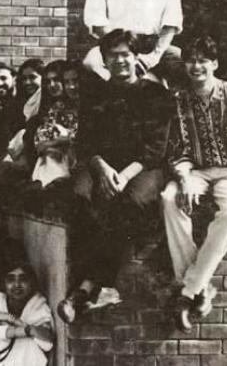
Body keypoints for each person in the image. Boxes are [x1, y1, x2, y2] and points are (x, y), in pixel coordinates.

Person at [57, 30, 174, 324]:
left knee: (130, 202)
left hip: (143, 168)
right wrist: (103, 169)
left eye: (126, 54)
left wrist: (122, 175)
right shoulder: (96, 94)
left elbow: (156, 149)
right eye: (113, 56)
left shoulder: (155, 94)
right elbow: (85, 143)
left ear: (136, 58)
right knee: (80, 196)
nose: (120, 61)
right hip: (102, 165)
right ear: (105, 61)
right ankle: (92, 285)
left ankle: (89, 286)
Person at [160, 35, 227, 331]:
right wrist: (183, 178)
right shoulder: (179, 100)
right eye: (191, 60)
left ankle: (187, 291)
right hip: (194, 171)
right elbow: (176, 149)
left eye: (202, 61)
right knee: (170, 200)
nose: (196, 66)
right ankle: (199, 287)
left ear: (215, 64)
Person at [0, 264, 54, 366]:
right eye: (11, 280)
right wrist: (29, 331)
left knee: (28, 342)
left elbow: (47, 344)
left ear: (31, 283)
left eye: (23, 279)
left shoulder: (38, 305)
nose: (17, 284)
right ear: (4, 284)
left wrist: (12, 320)